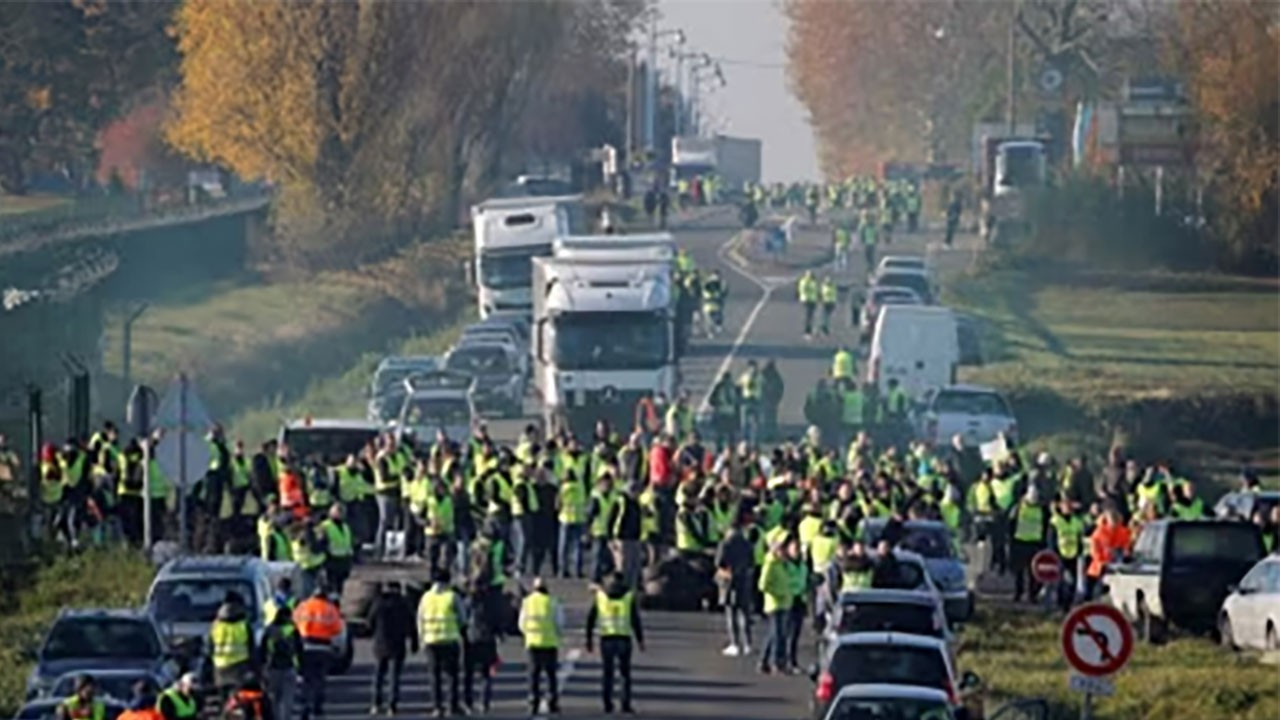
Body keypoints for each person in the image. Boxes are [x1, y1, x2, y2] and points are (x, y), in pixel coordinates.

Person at [586, 571, 646, 715]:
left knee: (608, 673)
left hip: (607, 638)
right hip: (624, 638)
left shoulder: (601, 596)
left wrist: (588, 639)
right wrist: (640, 640)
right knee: (625, 674)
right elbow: (635, 620)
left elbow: (591, 619)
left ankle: (607, 704)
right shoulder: (628, 596)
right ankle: (625, 704)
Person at [418, 569, 466, 717]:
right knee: (452, 675)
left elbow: (420, 619)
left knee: (434, 676)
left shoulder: (426, 598)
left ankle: (436, 707)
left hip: (431, 641)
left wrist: (422, 639)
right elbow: (462, 618)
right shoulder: (452, 597)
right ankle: (452, 705)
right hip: (449, 639)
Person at [293, 586, 344, 720]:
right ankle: (317, 707)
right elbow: (337, 630)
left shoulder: (303, 606)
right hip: (323, 648)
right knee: (319, 679)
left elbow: (294, 623)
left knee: (306, 679)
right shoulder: (330, 609)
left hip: (305, 646)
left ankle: (305, 706)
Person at [369, 582, 417, 715]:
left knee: (378, 675)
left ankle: (375, 703)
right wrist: (414, 642)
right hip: (397, 644)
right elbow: (411, 624)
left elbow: (370, 621)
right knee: (394, 677)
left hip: (380, 643)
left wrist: (374, 633)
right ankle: (392, 705)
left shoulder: (379, 603)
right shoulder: (404, 604)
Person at [519, 577, 564, 716]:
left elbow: (521, 624)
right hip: (549, 643)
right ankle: (552, 702)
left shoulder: (527, 602)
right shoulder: (553, 602)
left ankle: (533, 702)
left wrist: (528, 634)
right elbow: (559, 623)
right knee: (551, 675)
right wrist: (557, 635)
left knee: (534, 675)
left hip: (533, 643)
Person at [714, 511, 756, 656]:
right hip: (744, 578)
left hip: (729, 580)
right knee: (744, 612)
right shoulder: (746, 543)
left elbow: (719, 562)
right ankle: (748, 643)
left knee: (731, 612)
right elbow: (752, 561)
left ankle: (734, 643)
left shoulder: (726, 543)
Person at [463, 578, 502, 715]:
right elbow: (497, 619)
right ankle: (484, 701)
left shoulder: (468, 602)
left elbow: (463, 619)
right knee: (486, 674)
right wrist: (498, 634)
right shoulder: (490, 602)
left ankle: (468, 701)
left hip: (471, 639)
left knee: (469, 673)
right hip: (487, 639)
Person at [209, 592, 255, 700]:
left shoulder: (216, 625)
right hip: (240, 668)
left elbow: (210, 648)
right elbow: (252, 649)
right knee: (242, 701)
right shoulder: (244, 625)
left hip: (220, 668)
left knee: (224, 703)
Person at [757, 541, 794, 674]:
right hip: (774, 603)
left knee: (774, 634)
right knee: (778, 635)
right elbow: (762, 585)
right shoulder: (770, 564)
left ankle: (763, 661)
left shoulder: (783, 565)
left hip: (784, 603)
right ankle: (776, 663)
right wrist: (777, 593)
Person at [260, 605, 301, 720]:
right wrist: (301, 667)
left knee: (273, 698)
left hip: (272, 668)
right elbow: (299, 649)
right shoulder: (292, 629)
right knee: (287, 699)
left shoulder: (269, 630)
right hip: (289, 667)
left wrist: (262, 668)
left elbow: (262, 651)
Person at [1009, 487, 1049, 603]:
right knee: (1019, 571)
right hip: (1020, 541)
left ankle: (1032, 595)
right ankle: (1018, 593)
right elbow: (1011, 523)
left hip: (1035, 543)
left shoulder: (1042, 509)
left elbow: (1046, 525)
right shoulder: (1018, 508)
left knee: (1034, 572)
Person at [319, 503, 355, 599]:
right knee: (331, 587)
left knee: (341, 588)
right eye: (338, 511)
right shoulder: (325, 526)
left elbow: (349, 542)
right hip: (332, 560)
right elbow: (322, 543)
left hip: (344, 560)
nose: (341, 514)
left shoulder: (345, 526)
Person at [760, 360, 784, 443]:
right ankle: (769, 436)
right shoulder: (775, 376)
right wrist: (778, 398)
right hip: (770, 400)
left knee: (768, 419)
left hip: (769, 400)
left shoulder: (764, 375)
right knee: (770, 419)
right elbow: (780, 388)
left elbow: (780, 388)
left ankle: (769, 436)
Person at [797, 271, 819, 339]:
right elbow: (803, 290)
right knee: (808, 316)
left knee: (811, 316)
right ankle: (807, 331)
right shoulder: (804, 281)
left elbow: (816, 290)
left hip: (813, 300)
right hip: (807, 300)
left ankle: (810, 330)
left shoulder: (813, 281)